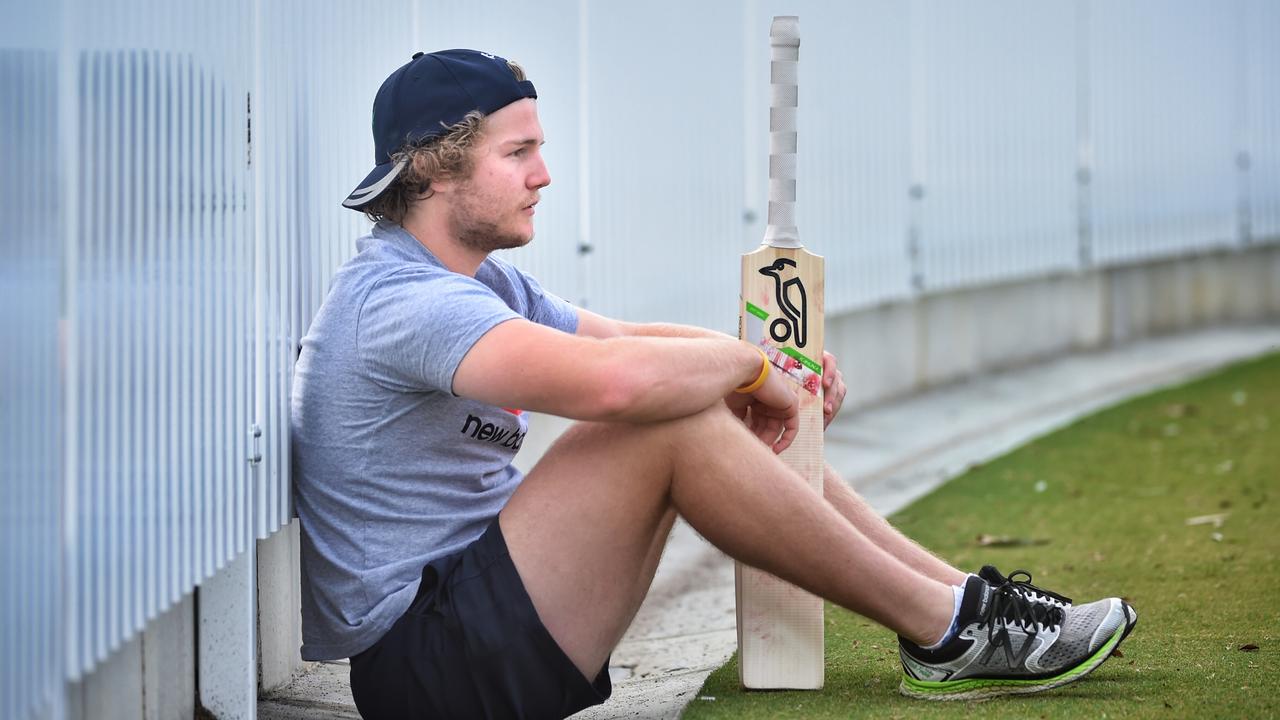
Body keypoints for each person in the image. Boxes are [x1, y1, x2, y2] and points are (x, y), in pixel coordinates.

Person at [291, 49, 1137, 719]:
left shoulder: (481, 283)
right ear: (435, 172)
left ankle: (961, 603)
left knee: (686, 390)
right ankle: (949, 633)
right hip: (429, 667)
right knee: (666, 414)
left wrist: (770, 363)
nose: (545, 174)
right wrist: (749, 371)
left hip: (475, 627)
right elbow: (620, 386)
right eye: (519, 153)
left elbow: (629, 340)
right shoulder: (401, 302)